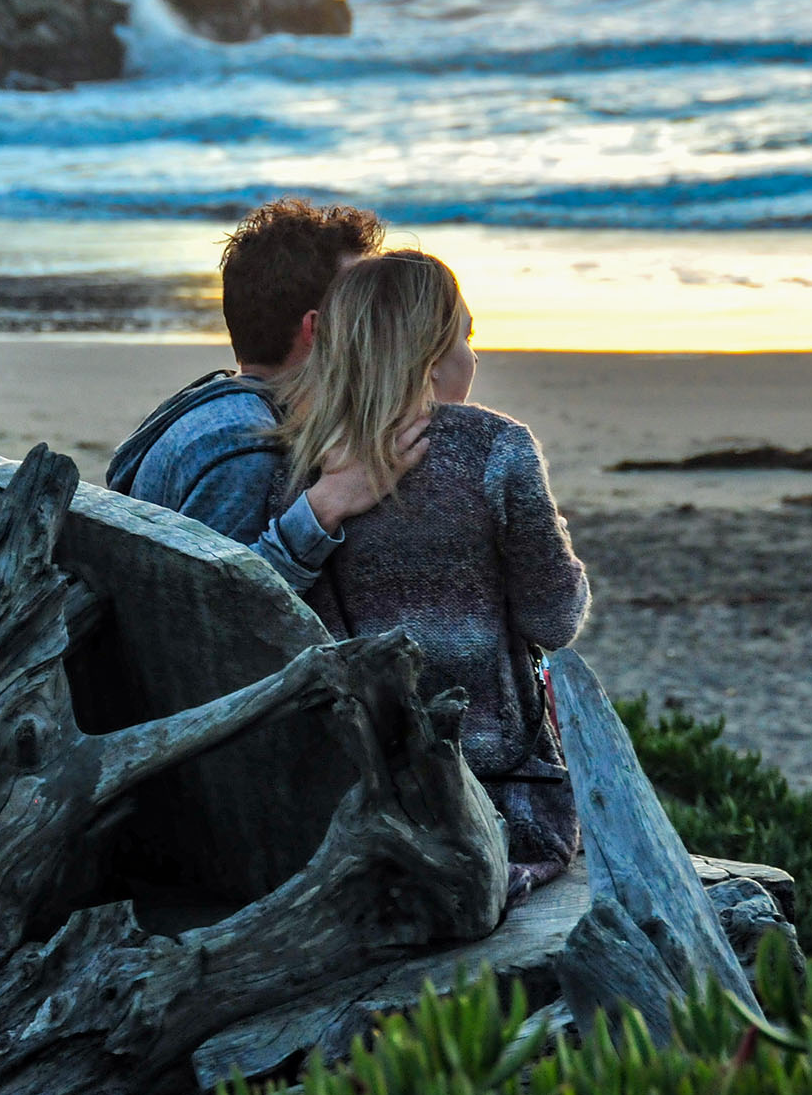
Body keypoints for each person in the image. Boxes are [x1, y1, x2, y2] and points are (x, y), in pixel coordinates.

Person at [267, 250, 591, 906]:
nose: (473, 357)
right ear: (431, 355)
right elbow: (555, 621)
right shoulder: (496, 448)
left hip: (358, 794)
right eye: (465, 337)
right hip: (496, 796)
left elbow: (280, 609)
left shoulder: (307, 462)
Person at [106, 199, 429, 590]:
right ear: (322, 329)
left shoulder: (214, 404)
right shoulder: (246, 448)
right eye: (364, 304)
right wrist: (326, 506)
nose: (379, 324)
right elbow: (217, 613)